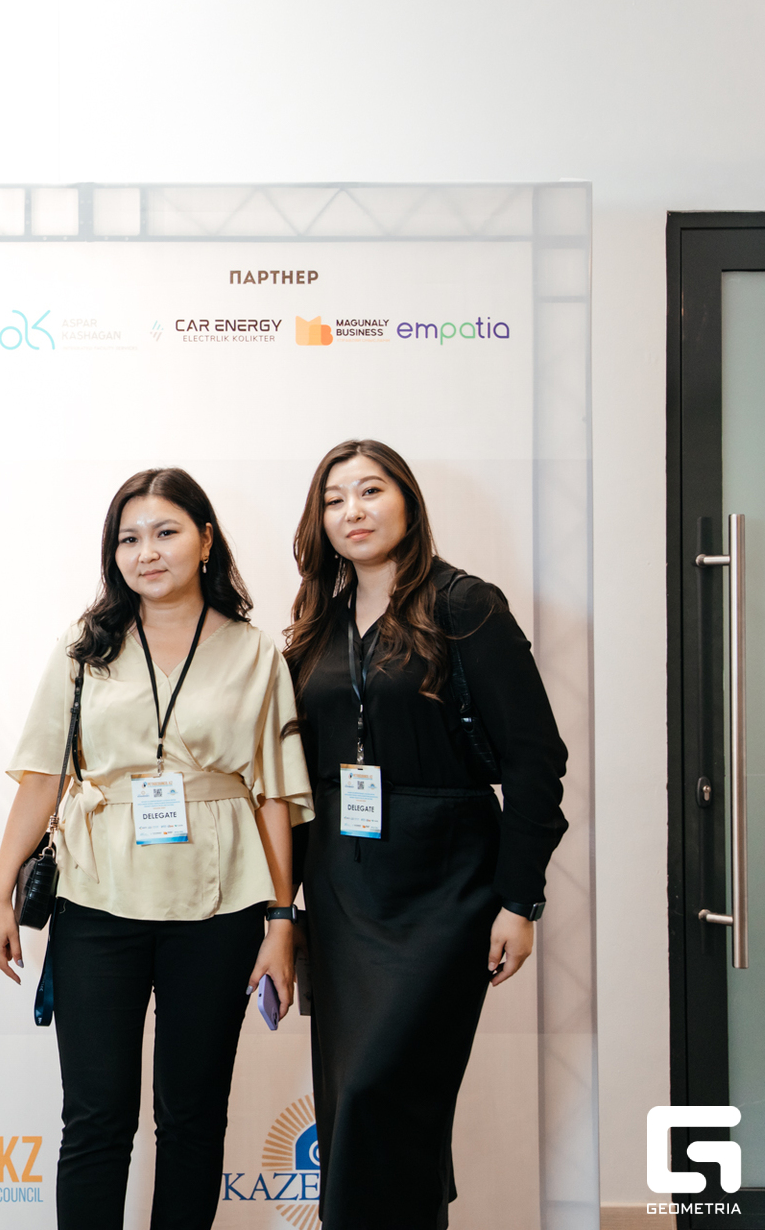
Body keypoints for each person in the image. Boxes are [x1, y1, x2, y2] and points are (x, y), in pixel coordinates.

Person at [0, 467, 309, 1230]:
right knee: (95, 1120)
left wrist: (280, 920)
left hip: (221, 906)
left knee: (193, 1119)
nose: (146, 552)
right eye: (128, 539)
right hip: (97, 898)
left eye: (165, 533)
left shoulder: (255, 653)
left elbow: (273, 795)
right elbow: (43, 777)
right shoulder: (83, 647)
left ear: (205, 541)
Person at [284, 439, 567, 1228]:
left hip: (446, 883)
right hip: (342, 888)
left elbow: (536, 760)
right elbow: (296, 778)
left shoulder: (466, 606)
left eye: (371, 491)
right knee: (356, 1103)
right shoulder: (317, 624)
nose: (353, 511)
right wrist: (283, 907)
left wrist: (520, 900)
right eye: (335, 499)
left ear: (408, 502)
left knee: (384, 1092)